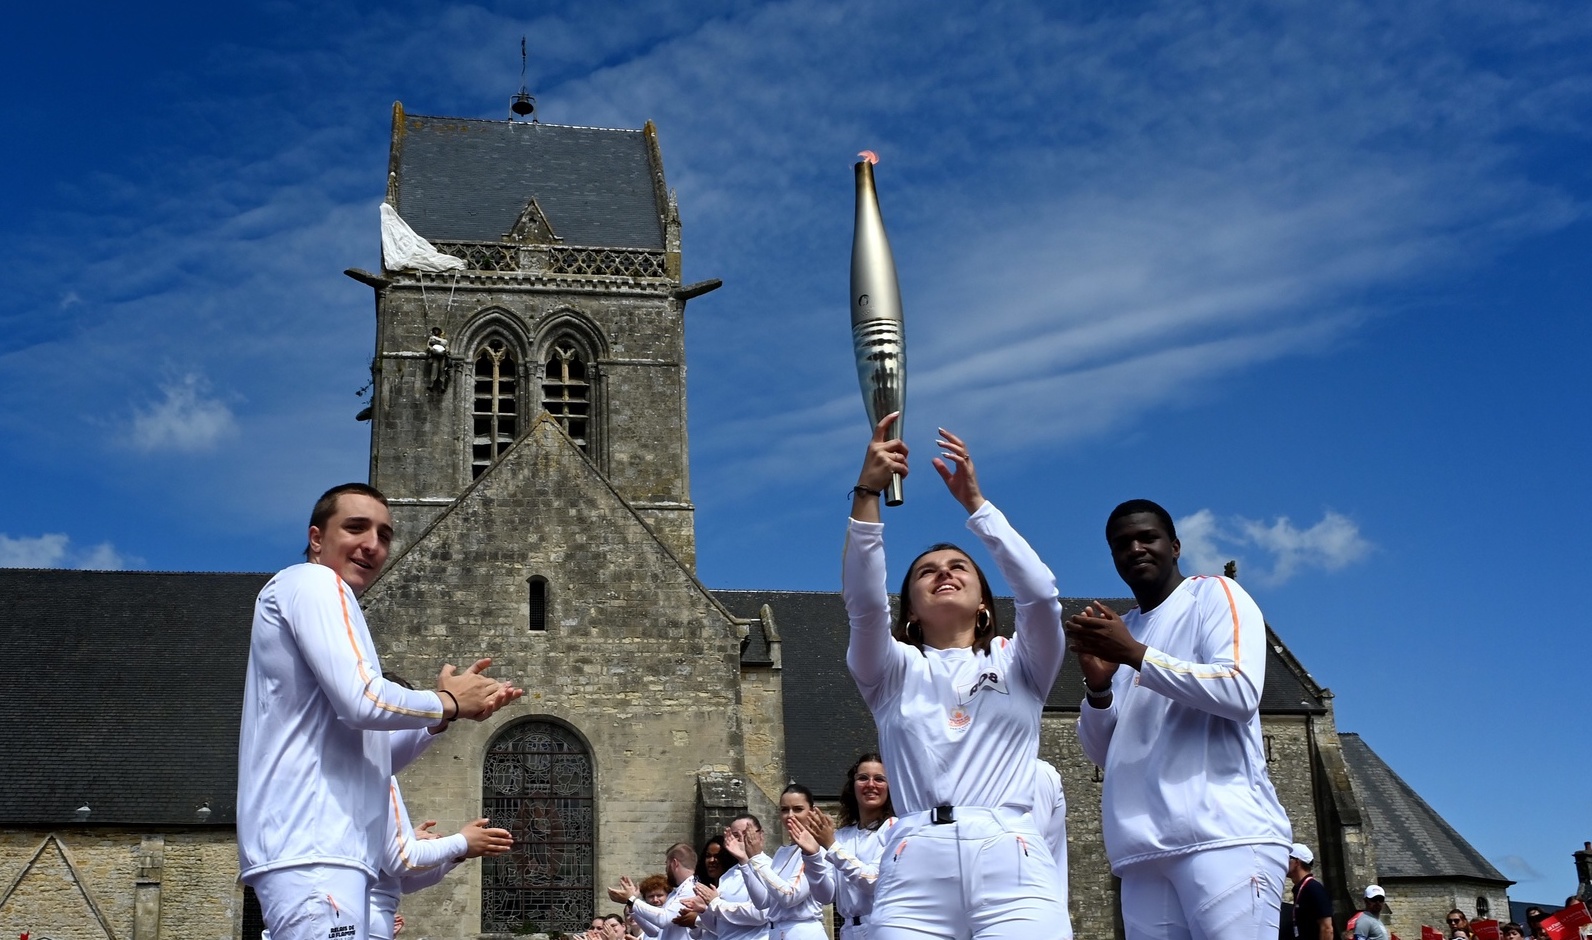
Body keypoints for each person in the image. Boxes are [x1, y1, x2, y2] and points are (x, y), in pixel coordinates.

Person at [238, 482, 522, 940]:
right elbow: (363, 700)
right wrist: (447, 702)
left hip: (330, 853)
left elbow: (375, 755)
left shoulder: (327, 596)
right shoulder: (313, 582)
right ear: (316, 538)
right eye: (356, 527)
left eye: (385, 534)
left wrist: (445, 717)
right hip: (314, 850)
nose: (373, 544)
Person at [843, 415, 1068, 939]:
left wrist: (977, 507)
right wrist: (866, 493)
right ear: (912, 612)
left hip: (1011, 856)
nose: (944, 572)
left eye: (958, 567)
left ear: (985, 604)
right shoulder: (892, 670)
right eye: (927, 571)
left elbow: (1040, 593)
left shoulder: (1022, 662)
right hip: (914, 862)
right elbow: (863, 605)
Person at [1068, 498, 1291, 940]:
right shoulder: (1123, 628)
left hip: (1223, 838)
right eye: (1121, 544)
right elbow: (1106, 755)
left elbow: (1239, 689)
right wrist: (1097, 689)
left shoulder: (1213, 594)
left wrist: (1135, 655)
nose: (1134, 548)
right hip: (1143, 853)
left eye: (1146, 537)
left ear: (1174, 545)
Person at [725, 783, 834, 940]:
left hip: (802, 930)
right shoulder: (782, 852)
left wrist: (757, 858)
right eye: (784, 810)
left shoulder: (815, 850)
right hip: (777, 931)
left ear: (811, 811)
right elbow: (763, 901)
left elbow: (790, 896)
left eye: (797, 809)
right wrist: (744, 861)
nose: (790, 815)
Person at [810, 753, 897, 940]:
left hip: (882, 927)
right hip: (849, 929)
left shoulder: (893, 828)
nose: (871, 785)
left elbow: (873, 881)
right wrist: (810, 856)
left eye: (879, 779)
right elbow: (826, 895)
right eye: (863, 778)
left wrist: (831, 846)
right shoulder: (842, 835)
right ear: (853, 785)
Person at [681, 814, 771, 940]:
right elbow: (719, 927)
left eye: (746, 834)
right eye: (734, 836)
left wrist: (716, 904)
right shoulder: (728, 874)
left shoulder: (769, 867)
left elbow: (762, 914)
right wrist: (704, 909)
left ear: (760, 835)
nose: (740, 840)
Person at [612, 843, 698, 940]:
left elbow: (664, 919)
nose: (666, 869)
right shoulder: (675, 892)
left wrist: (631, 900)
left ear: (674, 863)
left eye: (666, 864)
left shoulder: (692, 887)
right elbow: (655, 930)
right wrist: (632, 906)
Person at [1288, 844, 1332, 940]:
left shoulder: (1313, 888)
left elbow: (1327, 928)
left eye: (1288, 858)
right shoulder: (1301, 888)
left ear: (1297, 862)